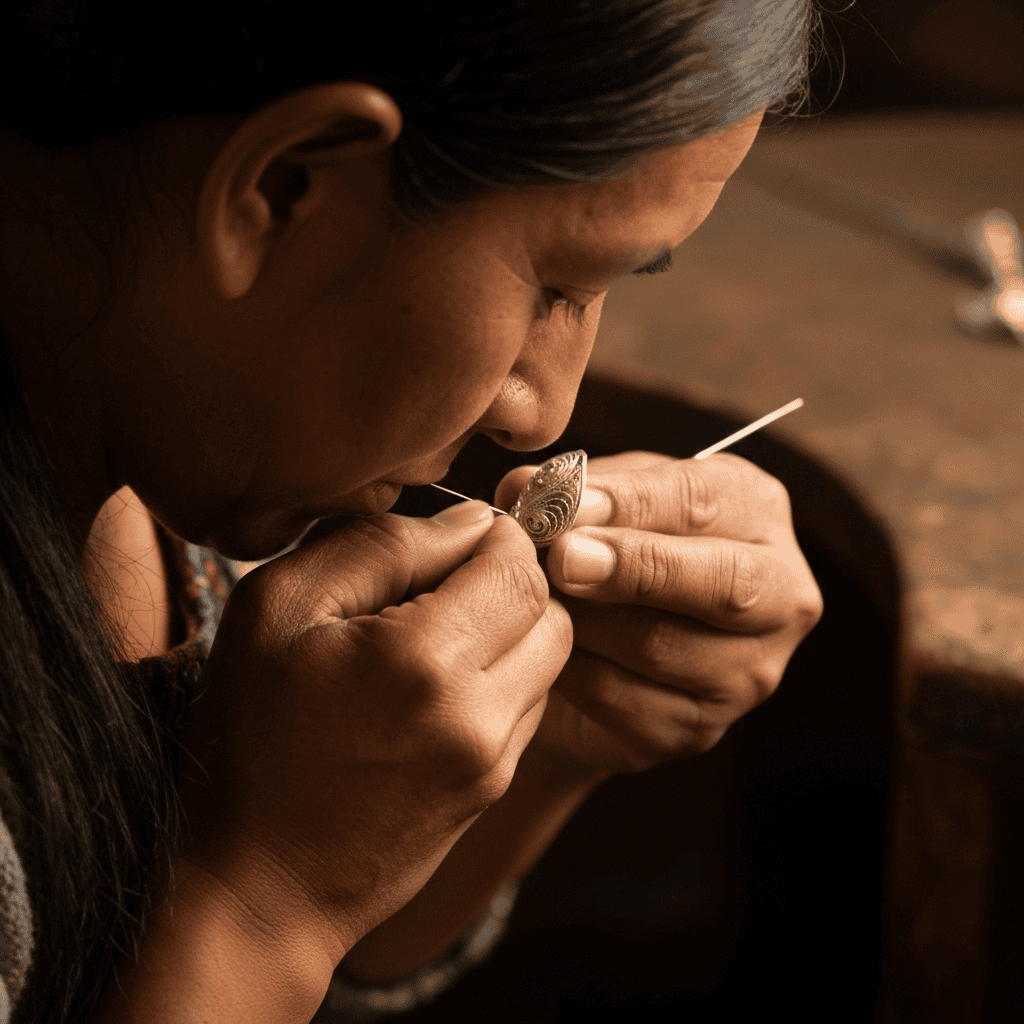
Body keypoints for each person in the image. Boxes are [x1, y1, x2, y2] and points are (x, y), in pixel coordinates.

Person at [0, 1, 824, 1021]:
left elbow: (322, 967)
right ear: (284, 188)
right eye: (558, 286)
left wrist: (545, 743)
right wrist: (267, 908)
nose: (542, 413)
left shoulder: (179, 452)